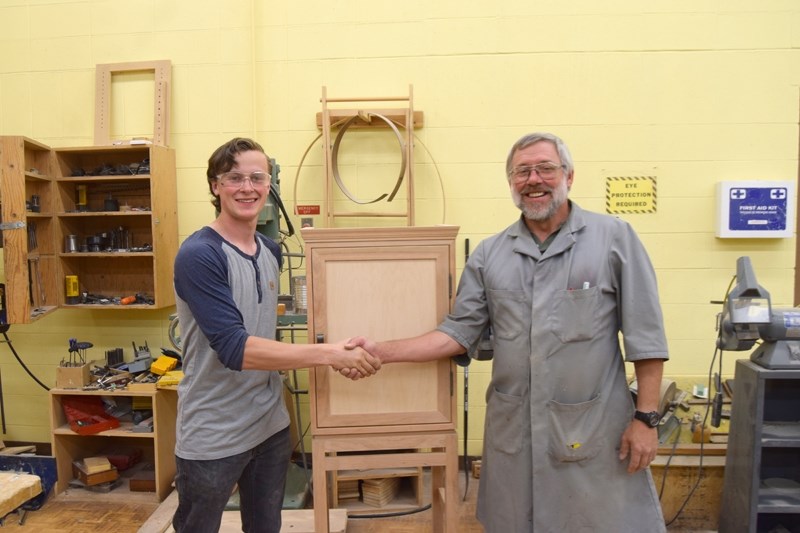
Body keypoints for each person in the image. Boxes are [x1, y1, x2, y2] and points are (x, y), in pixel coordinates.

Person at [349, 132, 668, 532]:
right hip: (514, 429)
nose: (533, 179)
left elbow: (647, 336)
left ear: (569, 175)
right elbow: (458, 332)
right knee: (517, 522)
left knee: (600, 522)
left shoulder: (614, 239)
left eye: (545, 168)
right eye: (522, 172)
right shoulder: (490, 254)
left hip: (595, 428)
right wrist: (381, 351)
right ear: (511, 183)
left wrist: (646, 420)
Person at [172, 137, 381, 533]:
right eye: (234, 178)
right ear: (216, 186)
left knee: (265, 526)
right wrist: (331, 354)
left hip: (269, 423)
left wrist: (344, 349)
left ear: (269, 185)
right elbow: (236, 349)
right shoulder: (199, 254)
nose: (246, 187)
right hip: (213, 428)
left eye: (256, 177)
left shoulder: (270, 249)